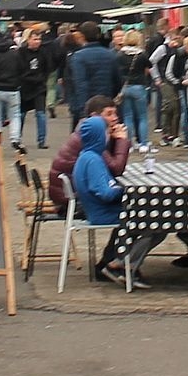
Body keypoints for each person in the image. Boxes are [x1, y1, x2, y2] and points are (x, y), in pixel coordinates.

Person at [70, 115, 153, 288]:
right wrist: (123, 190)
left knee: (148, 218)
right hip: (103, 213)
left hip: (97, 209)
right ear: (99, 136)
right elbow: (106, 193)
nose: (108, 136)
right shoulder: (93, 160)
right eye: (106, 133)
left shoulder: (87, 155)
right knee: (154, 223)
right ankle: (123, 265)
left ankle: (123, 261)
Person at [46, 96, 130, 210]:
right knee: (131, 205)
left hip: (70, 193)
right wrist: (121, 140)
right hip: (72, 200)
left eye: (115, 113)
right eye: (109, 114)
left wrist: (113, 138)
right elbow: (116, 169)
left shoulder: (86, 131)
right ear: (94, 116)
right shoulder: (92, 139)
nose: (115, 118)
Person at [66, 22, 122, 131]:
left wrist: (82, 111)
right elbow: (118, 81)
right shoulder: (110, 54)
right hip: (106, 102)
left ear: (82, 36)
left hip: (88, 105)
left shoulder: (78, 57)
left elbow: (80, 84)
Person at [16, 26, 54, 150]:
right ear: (28, 40)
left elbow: (48, 68)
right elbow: (19, 69)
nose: (37, 42)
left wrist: (42, 79)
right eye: (35, 39)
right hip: (25, 87)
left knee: (41, 114)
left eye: (39, 39)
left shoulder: (44, 52)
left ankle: (41, 140)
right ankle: (17, 138)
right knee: (21, 115)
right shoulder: (21, 52)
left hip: (39, 87)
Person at [118, 30, 153, 151]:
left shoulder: (119, 55)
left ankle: (129, 145)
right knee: (142, 116)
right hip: (139, 86)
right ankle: (143, 143)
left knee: (127, 116)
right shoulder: (142, 55)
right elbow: (149, 67)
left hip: (125, 87)